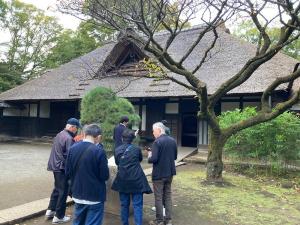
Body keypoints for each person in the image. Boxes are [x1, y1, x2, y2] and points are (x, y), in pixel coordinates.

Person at [66, 124, 109, 225]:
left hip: (78, 193)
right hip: (95, 195)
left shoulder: (73, 148)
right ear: (98, 137)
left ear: (84, 134)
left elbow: (68, 171)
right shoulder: (99, 151)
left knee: (78, 221)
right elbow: (105, 176)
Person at [112, 129, 152, 225]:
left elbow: (118, 163)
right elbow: (139, 160)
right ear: (132, 139)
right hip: (137, 179)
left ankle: (124, 223)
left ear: (122, 138)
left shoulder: (117, 150)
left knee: (124, 205)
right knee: (137, 205)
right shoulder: (136, 149)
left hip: (123, 180)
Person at [46, 118, 81, 224]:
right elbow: (71, 156)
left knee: (57, 189)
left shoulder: (60, 134)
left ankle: (51, 210)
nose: (77, 131)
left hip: (55, 166)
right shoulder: (69, 138)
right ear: (72, 127)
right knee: (63, 191)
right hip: (62, 167)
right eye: (76, 128)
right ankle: (59, 216)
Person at [147, 122, 178, 225]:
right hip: (169, 173)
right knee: (168, 195)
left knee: (159, 197)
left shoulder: (157, 142)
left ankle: (159, 220)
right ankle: (168, 220)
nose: (152, 133)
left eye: (153, 131)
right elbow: (174, 157)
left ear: (159, 130)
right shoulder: (173, 141)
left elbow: (153, 159)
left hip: (159, 174)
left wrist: (149, 156)